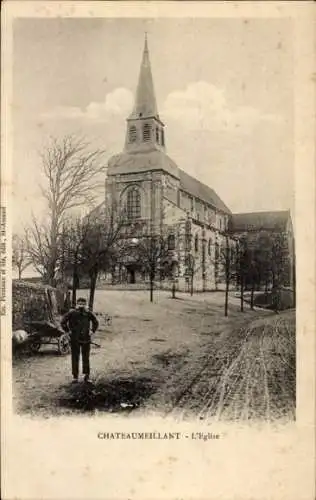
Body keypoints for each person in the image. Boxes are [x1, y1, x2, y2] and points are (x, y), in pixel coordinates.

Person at [61, 297, 99, 383]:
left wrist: (92, 331)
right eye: (80, 304)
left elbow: (96, 322)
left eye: (83, 304)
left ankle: (86, 376)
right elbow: (63, 322)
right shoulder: (71, 313)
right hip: (75, 339)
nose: (81, 305)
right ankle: (75, 377)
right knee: (75, 357)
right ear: (77, 304)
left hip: (86, 339)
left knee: (86, 357)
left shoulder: (88, 313)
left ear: (85, 304)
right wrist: (68, 331)